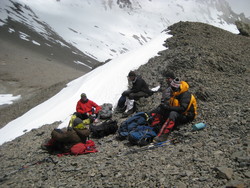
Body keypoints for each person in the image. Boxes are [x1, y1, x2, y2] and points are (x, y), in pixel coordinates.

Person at [153, 77, 197, 142]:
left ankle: (162, 136)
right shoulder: (176, 93)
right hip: (179, 113)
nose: (171, 89)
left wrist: (168, 108)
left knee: (173, 113)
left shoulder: (185, 95)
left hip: (187, 115)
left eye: (173, 88)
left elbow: (183, 109)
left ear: (177, 87)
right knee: (161, 108)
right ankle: (153, 124)